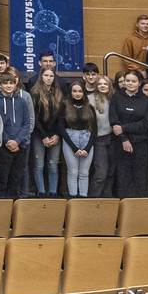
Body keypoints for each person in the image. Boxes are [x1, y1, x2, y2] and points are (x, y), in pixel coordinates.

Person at [110, 70, 148, 198]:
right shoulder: (116, 97)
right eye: (128, 81)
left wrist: (124, 128)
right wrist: (124, 139)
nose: (130, 83)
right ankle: (124, 205)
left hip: (141, 143)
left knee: (140, 177)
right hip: (121, 143)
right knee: (123, 177)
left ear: (139, 83)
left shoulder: (147, 101)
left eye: (133, 81)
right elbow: (114, 122)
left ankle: (139, 205)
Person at [28, 68, 63, 196]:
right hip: (39, 134)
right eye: (46, 75)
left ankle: (53, 192)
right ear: (41, 76)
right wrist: (43, 136)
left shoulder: (59, 93)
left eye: (51, 76)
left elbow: (61, 117)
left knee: (53, 164)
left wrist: (57, 134)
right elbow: (34, 118)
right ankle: (41, 192)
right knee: (39, 165)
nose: (48, 78)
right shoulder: (34, 93)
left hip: (55, 134)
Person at [60, 81, 97, 197]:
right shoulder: (64, 106)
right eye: (74, 91)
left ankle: (83, 197)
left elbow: (95, 129)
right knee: (73, 172)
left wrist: (87, 148)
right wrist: (74, 148)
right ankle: (73, 198)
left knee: (84, 173)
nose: (77, 94)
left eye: (80, 91)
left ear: (84, 93)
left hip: (87, 139)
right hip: (70, 139)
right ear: (70, 92)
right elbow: (61, 128)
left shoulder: (89, 107)